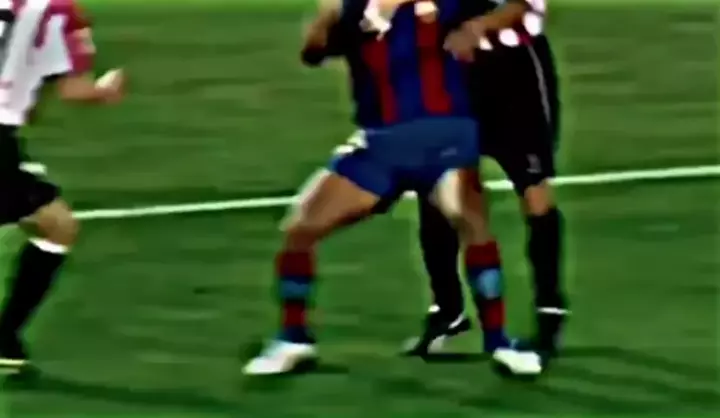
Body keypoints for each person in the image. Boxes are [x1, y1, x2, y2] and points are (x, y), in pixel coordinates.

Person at [242, 0, 522, 376]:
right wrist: (327, 18)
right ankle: (293, 340)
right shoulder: (352, 7)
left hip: (446, 142)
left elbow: (517, 6)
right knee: (301, 228)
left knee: (471, 223)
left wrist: (479, 27)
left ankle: (500, 342)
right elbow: (313, 54)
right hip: (380, 148)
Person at [404, 0, 567, 376]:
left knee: (534, 192)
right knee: (440, 187)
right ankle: (448, 310)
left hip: (516, 75)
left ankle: (549, 311)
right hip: (453, 72)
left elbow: (524, 5)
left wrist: (475, 28)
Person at [0, 0, 125, 375]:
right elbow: (74, 90)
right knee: (57, 227)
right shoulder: (59, 12)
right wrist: (105, 90)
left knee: (53, 224)